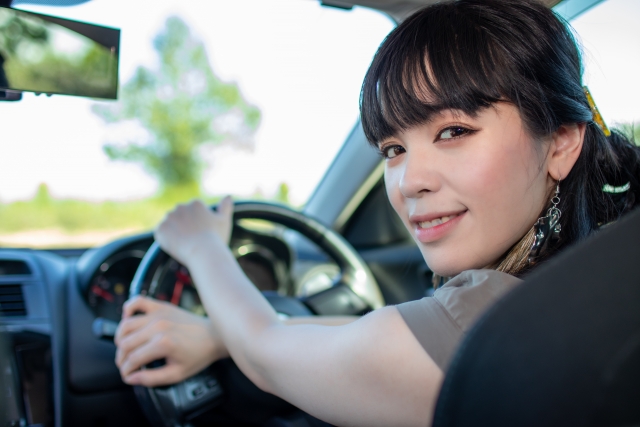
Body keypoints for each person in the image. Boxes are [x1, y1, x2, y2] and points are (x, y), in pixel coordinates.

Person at [114, 0, 640, 425]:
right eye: (393, 149)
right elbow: (392, 330)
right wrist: (215, 335)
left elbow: (266, 351)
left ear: (561, 141)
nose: (410, 181)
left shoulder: (488, 324)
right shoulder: (590, 285)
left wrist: (202, 244)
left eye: (453, 131)